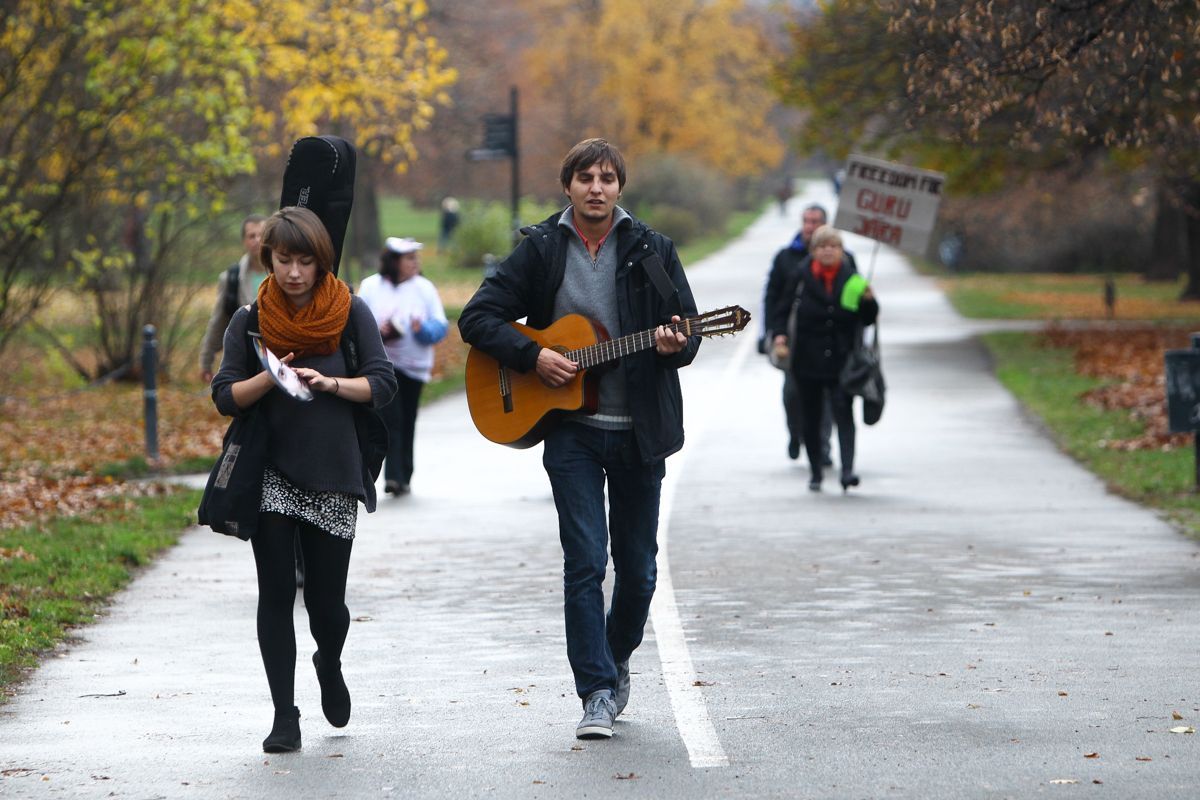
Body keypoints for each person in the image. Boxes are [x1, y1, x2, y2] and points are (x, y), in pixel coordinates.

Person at [458, 138, 700, 740]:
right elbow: (476, 318)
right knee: (586, 563)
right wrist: (534, 355)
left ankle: (613, 660)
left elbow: (689, 334)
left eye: (608, 178)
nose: (597, 188)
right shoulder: (541, 249)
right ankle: (594, 692)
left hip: (640, 431)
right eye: (586, 177)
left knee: (639, 572)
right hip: (571, 433)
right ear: (567, 184)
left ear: (621, 187)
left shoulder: (653, 250)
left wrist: (678, 344)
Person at [210, 206, 397, 753]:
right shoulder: (250, 320)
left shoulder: (349, 311)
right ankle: (283, 715)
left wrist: (333, 384)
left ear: (321, 262)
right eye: (284, 259)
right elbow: (224, 396)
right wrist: (271, 378)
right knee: (274, 593)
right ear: (267, 258)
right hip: (270, 472)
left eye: (305, 261)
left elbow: (382, 384)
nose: (294, 272)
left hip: (334, 473)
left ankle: (329, 661)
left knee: (327, 604)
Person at [769, 225, 877, 492]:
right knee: (811, 416)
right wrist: (780, 336)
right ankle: (816, 471)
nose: (828, 250)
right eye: (822, 246)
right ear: (814, 251)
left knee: (843, 412)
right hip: (807, 360)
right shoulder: (800, 277)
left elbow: (868, 319)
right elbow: (781, 310)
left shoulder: (853, 279)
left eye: (834, 246)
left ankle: (847, 470)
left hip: (843, 360)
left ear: (841, 251)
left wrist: (869, 301)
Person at [358, 236, 448, 496]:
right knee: (391, 419)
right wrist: (380, 331)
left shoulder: (424, 288)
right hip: (383, 366)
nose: (415, 263)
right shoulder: (371, 286)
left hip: (416, 366)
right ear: (394, 261)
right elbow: (359, 324)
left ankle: (405, 474)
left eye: (415, 258)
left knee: (408, 419)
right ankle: (392, 477)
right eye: (409, 258)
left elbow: (440, 325)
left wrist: (422, 330)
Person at [762, 204, 846, 465]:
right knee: (792, 393)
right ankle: (796, 433)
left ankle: (822, 446)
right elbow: (773, 299)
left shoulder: (844, 260)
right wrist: (771, 334)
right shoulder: (786, 258)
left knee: (828, 399)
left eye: (816, 221)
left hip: (831, 344)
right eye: (807, 221)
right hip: (794, 342)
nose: (810, 226)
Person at [199, 214, 268, 383]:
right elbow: (218, 321)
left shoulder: (284, 273)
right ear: (244, 241)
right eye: (252, 236)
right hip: (245, 361)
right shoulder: (231, 278)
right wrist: (206, 360)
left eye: (262, 235)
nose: (257, 240)